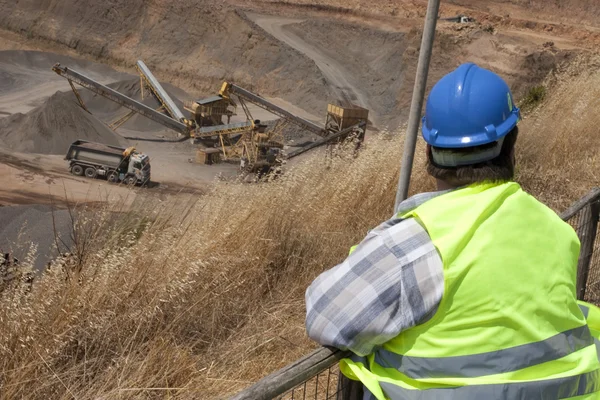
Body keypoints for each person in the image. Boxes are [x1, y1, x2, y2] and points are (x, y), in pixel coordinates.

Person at [305, 63, 600, 399]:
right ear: (511, 143)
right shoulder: (553, 228)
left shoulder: (414, 245)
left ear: (429, 149)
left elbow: (325, 317)